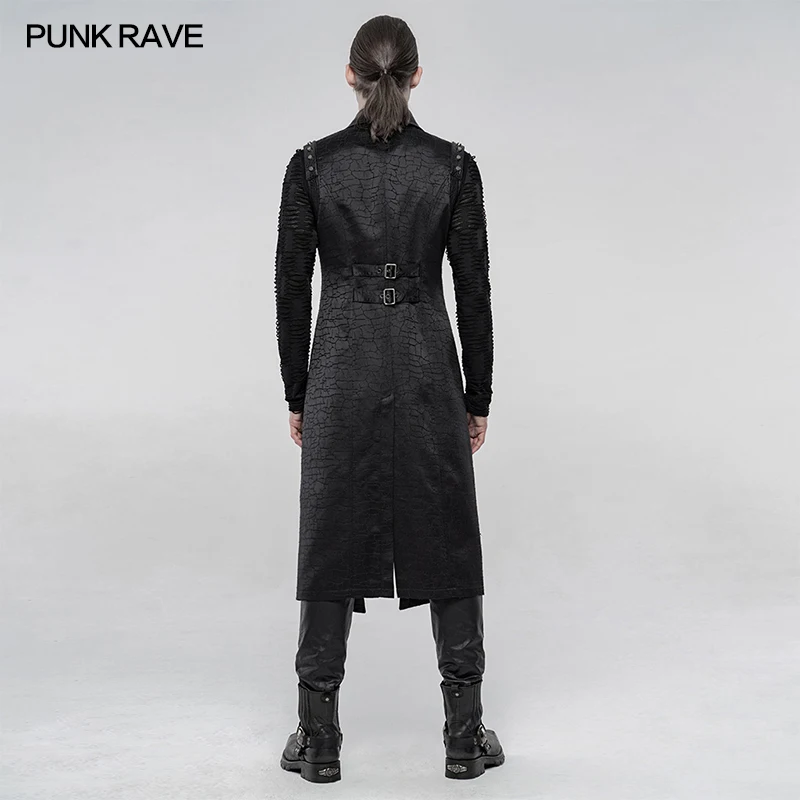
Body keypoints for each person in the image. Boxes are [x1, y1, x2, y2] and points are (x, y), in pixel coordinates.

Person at [274, 15, 503, 783]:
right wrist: (477, 396)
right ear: (416, 76)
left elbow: (289, 287)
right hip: (428, 365)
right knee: (448, 533)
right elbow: (473, 288)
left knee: (330, 536)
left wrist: (298, 391)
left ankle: (319, 738)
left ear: (350, 75)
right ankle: (464, 736)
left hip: (341, 367)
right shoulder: (453, 166)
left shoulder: (313, 165)